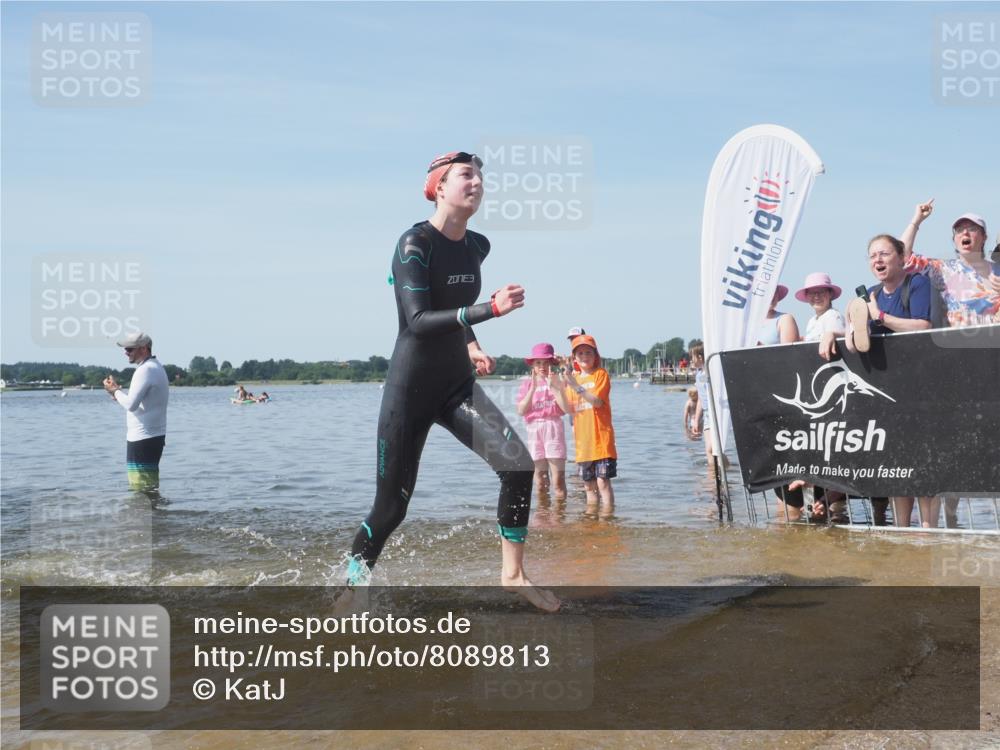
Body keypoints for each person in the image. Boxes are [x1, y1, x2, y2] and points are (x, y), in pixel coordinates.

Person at [347, 151, 558, 612]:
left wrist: (471, 340)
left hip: (456, 386)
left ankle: (513, 575)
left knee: (519, 468)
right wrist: (490, 310)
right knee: (391, 509)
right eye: (466, 175)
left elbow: (451, 305)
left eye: (481, 177)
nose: (477, 183)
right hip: (410, 390)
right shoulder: (413, 245)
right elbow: (419, 319)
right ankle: (350, 588)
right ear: (439, 186)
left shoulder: (476, 246)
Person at [901, 201, 1000, 527]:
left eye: (971, 229)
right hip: (959, 367)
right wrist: (916, 220)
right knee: (956, 444)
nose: (964, 234)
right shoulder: (943, 269)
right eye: (959, 229)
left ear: (984, 236)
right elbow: (903, 257)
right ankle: (953, 519)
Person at [845, 233, 934, 526]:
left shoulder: (917, 283)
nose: (877, 260)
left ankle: (929, 530)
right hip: (886, 394)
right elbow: (859, 339)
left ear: (900, 257)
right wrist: (840, 335)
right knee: (897, 464)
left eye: (883, 254)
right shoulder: (869, 294)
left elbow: (922, 325)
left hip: (920, 391)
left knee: (923, 463)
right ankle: (902, 529)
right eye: (872, 256)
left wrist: (880, 316)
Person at [102, 332, 169, 493]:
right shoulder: (155, 366)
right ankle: (157, 516)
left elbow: (131, 405)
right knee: (149, 486)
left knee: (141, 488)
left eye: (130, 349)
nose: (126, 352)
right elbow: (138, 403)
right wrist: (116, 394)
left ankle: (148, 517)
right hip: (153, 436)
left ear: (144, 349)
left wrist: (115, 391)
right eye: (126, 349)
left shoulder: (145, 370)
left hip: (142, 437)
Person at [562, 334, 617, 517]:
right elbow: (567, 409)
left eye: (588, 352)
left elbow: (597, 402)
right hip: (583, 444)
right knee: (588, 486)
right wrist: (556, 388)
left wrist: (576, 385)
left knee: (603, 482)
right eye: (580, 353)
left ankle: (607, 519)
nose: (584, 356)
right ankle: (592, 519)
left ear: (595, 355)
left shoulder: (601, 374)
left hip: (601, 440)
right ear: (574, 358)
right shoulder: (572, 380)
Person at [516, 343, 570, 500]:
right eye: (538, 362)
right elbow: (521, 410)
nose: (542, 366)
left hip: (553, 427)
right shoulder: (527, 384)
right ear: (532, 365)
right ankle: (543, 517)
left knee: (558, 482)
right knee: (540, 482)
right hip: (534, 430)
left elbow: (566, 409)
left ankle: (560, 518)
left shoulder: (558, 380)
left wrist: (554, 388)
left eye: (546, 362)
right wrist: (532, 388)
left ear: (551, 363)